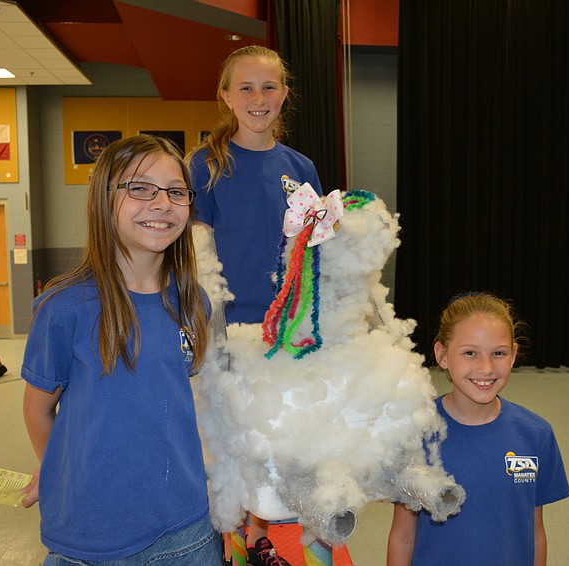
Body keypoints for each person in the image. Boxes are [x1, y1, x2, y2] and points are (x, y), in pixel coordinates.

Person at [20, 135, 222, 565]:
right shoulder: (64, 308)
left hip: (186, 531)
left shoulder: (194, 303)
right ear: (102, 200)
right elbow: (38, 409)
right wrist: (58, 468)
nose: (162, 202)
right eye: (140, 188)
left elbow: (170, 404)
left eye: (175, 191)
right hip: (92, 536)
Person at [187, 45, 323, 566]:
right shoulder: (205, 165)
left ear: (285, 94)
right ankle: (229, 545)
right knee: (230, 452)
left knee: (279, 448)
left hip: (286, 337)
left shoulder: (301, 166)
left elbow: (310, 255)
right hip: (228, 339)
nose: (258, 98)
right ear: (225, 96)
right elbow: (198, 258)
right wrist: (208, 334)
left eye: (269, 87)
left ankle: (275, 544)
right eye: (245, 87)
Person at [387, 293, 569, 566]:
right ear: (442, 355)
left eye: (498, 353)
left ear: (513, 355)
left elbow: (534, 532)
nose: (485, 368)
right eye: (470, 353)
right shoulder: (415, 435)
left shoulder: (536, 434)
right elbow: (403, 536)